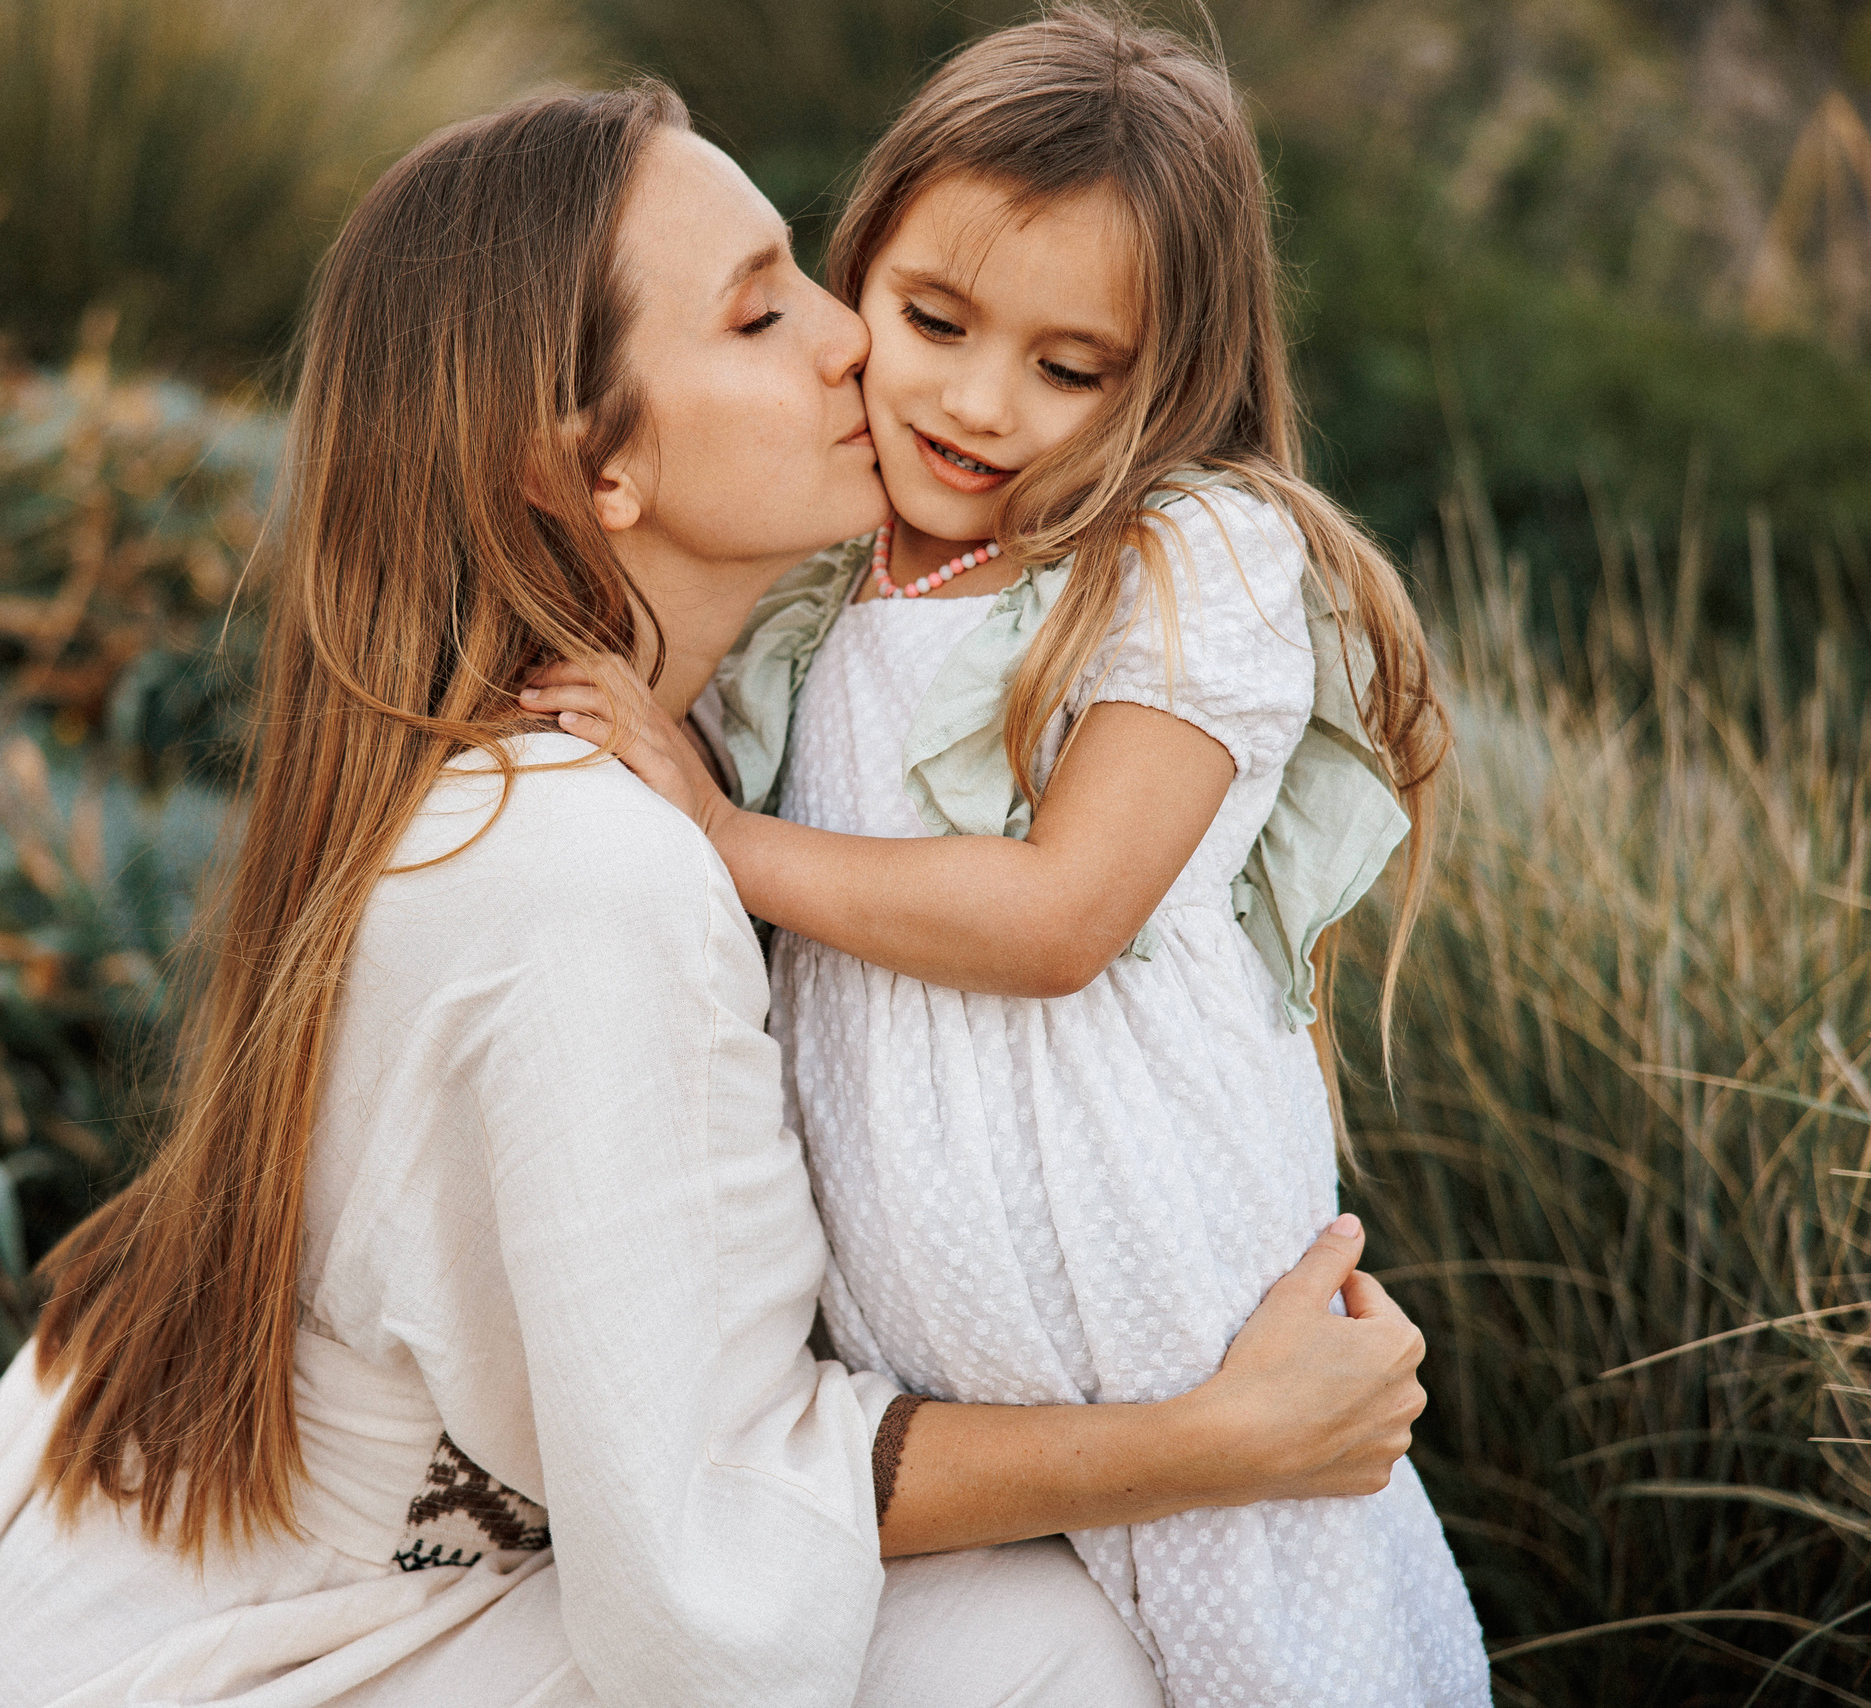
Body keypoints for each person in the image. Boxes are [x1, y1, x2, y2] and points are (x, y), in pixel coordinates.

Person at [0, 81, 1433, 1708]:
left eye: (812, 275)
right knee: (1054, 1661)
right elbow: (704, 1554)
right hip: (283, 1646)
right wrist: (1214, 1445)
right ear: (590, 467)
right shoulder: (591, 875)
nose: (852, 345)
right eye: (759, 314)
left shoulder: (634, 744)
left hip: (180, 1574)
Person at [520, 11, 1487, 1707]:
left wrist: (725, 838)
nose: (976, 405)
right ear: (856, 277)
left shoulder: (1188, 559)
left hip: (1173, 1304)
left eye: (1070, 367)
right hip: (936, 1374)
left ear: (1170, 373)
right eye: (933, 321)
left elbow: (1062, 916)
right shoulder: (823, 580)